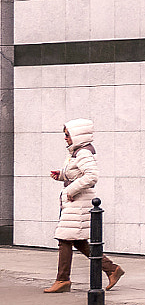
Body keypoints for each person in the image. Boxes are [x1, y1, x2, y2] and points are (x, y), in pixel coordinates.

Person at [45, 119, 125, 293]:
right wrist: (62, 175)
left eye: (68, 134)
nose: (65, 138)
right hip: (75, 201)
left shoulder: (83, 153)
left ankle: (62, 280)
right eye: (65, 134)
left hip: (78, 201)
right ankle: (111, 269)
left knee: (65, 238)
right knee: (77, 240)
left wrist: (70, 191)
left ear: (77, 135)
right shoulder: (77, 152)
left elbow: (91, 176)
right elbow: (79, 174)